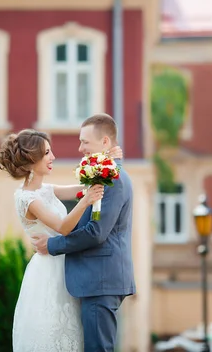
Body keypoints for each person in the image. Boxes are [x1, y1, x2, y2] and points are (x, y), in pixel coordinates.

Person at [0, 128, 122, 352]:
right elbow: (63, 227)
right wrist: (85, 202)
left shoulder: (45, 189)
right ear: (31, 159)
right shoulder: (28, 199)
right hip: (48, 271)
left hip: (65, 266)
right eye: (46, 153)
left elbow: (82, 188)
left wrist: (106, 162)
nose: (53, 157)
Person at [31, 113, 135, 352]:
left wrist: (53, 245)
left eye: (85, 142)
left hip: (101, 280)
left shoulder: (113, 179)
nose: (80, 148)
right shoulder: (104, 174)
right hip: (96, 280)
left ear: (105, 142)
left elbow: (96, 232)